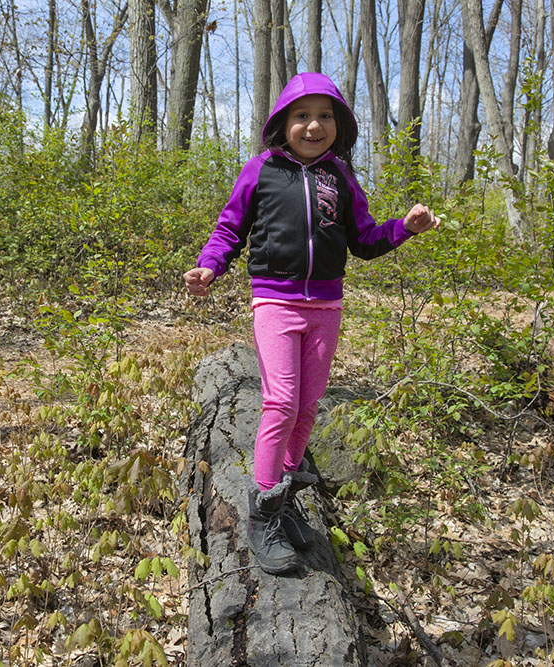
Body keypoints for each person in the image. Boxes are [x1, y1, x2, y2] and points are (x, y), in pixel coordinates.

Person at [183, 72, 441, 574]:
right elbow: (229, 228)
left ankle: (285, 500)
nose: (313, 125)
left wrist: (405, 228)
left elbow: (364, 239)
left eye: (324, 116)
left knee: (307, 407)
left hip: (326, 306)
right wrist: (208, 267)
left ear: (337, 125)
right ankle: (262, 513)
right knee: (280, 401)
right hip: (274, 301)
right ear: (283, 123)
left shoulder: (340, 177)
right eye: (302, 116)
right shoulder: (261, 170)